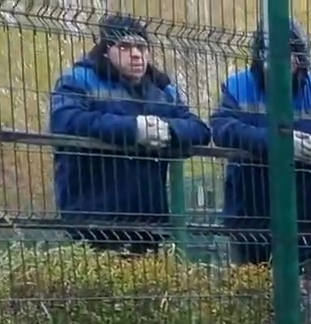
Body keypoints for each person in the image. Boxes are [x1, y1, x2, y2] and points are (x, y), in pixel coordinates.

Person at [210, 16, 311, 270]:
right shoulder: (238, 87)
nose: (284, 60)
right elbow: (222, 127)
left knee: (308, 298)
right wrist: (276, 143)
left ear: (301, 56)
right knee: (251, 297)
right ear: (259, 55)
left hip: (308, 220)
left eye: (291, 52)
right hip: (249, 219)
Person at [48, 13, 211, 255]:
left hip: (149, 221)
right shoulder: (78, 80)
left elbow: (199, 129)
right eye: (125, 47)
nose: (136, 54)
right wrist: (134, 129)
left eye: (142, 48)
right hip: (93, 218)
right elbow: (65, 120)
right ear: (106, 51)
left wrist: (169, 131)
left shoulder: (162, 90)